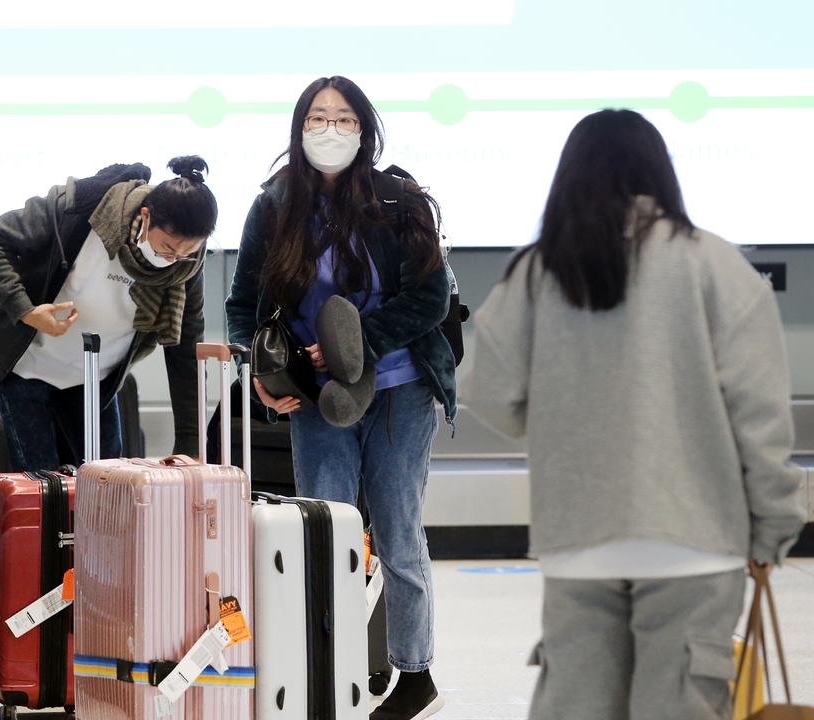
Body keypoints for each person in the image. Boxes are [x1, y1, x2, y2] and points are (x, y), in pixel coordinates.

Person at [462, 109, 808, 719]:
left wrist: (559, 419)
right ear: (660, 172)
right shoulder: (715, 265)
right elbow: (758, 416)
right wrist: (774, 527)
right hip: (698, 540)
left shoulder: (538, 271)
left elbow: (491, 390)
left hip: (578, 537)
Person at [225, 76, 454, 720]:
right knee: (321, 531)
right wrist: (270, 376)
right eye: (318, 117)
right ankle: (326, 666)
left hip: (400, 387)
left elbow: (430, 298)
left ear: (365, 129)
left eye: (344, 118)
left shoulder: (398, 200)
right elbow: (243, 309)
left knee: (398, 531)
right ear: (298, 129)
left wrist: (361, 347)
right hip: (318, 396)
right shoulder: (273, 207)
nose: (330, 129)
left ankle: (414, 673)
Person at [0, 157, 216, 470]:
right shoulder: (82, 207)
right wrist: (25, 310)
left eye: (186, 254)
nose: (172, 261)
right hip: (28, 367)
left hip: (96, 379)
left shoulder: (185, 267)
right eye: (166, 248)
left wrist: (189, 443)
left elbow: (186, 350)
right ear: (145, 217)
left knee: (110, 490)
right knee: (41, 489)